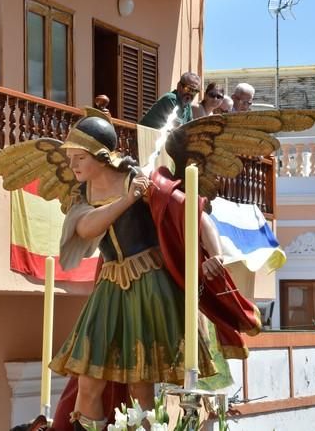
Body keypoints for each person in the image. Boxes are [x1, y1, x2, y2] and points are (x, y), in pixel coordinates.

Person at [48, 114, 234, 431]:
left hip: (148, 282)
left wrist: (215, 255)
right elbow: (88, 226)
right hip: (109, 285)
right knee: (89, 380)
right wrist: (128, 198)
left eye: (79, 158)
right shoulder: (86, 194)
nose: (73, 166)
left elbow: (195, 214)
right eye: (70, 159)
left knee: (139, 382)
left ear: (101, 157)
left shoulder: (143, 181)